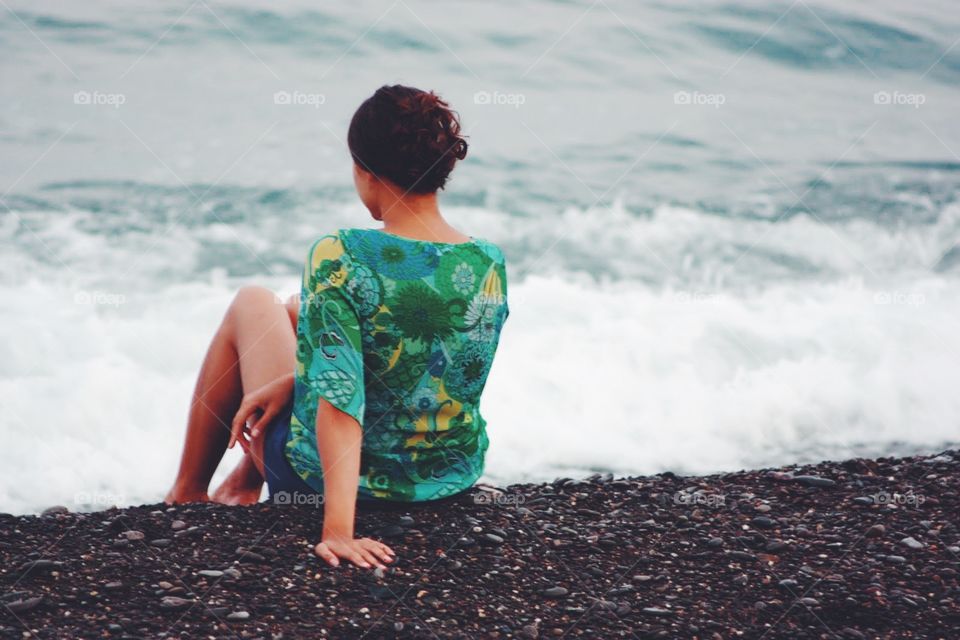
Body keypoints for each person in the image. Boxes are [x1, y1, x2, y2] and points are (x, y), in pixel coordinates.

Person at [165, 85, 510, 570]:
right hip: (447, 479)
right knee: (293, 313)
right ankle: (243, 480)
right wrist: (295, 380)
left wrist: (339, 532)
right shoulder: (486, 260)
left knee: (254, 301)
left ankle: (187, 492)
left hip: (343, 485)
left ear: (365, 171)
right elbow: (430, 366)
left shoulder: (340, 254)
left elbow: (341, 402)